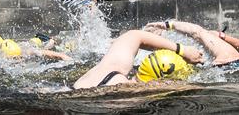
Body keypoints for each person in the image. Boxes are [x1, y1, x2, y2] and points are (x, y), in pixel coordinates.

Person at [72, 29, 203, 89]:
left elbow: (134, 35)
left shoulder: (112, 68)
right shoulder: (129, 97)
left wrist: (182, 50)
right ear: (160, 83)